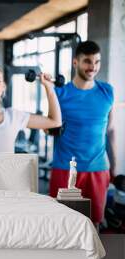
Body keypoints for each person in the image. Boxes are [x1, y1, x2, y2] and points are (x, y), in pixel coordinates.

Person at [49, 41, 117, 226]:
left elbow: (110, 131)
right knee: (62, 223)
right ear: (75, 63)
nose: (93, 67)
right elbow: (50, 127)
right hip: (65, 167)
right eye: (87, 61)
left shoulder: (107, 91)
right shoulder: (59, 93)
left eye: (97, 62)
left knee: (95, 223)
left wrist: (114, 168)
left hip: (98, 167)